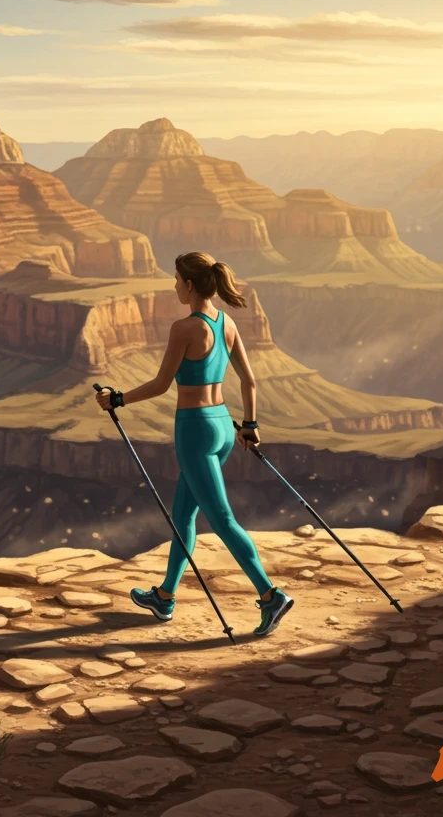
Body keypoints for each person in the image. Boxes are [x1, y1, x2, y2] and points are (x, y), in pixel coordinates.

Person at [93, 251, 294, 637]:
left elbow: (160, 385)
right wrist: (249, 426)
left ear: (188, 284)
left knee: (221, 519)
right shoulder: (226, 323)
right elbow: (250, 381)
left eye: (175, 280)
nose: (173, 286)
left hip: (194, 429)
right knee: (183, 515)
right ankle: (165, 596)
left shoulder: (185, 328)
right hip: (222, 425)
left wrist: (116, 398)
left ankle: (270, 596)